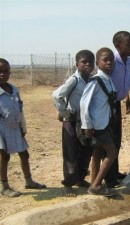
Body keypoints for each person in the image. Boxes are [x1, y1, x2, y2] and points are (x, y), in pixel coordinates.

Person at [0, 58, 46, 197]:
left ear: (10, 72)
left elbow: (20, 110)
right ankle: (4, 186)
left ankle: (29, 181)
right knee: (4, 156)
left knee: (24, 154)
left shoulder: (14, 90)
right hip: (1, 128)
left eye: (5, 71)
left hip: (14, 127)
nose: (2, 74)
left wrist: (22, 126)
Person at [52, 50, 94, 197]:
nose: (88, 64)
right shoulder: (74, 80)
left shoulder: (91, 80)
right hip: (71, 121)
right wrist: (65, 113)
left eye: (90, 61)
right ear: (77, 64)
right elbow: (57, 95)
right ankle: (68, 183)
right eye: (84, 62)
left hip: (85, 122)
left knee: (87, 149)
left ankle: (80, 178)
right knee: (71, 152)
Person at [80, 47, 118, 196]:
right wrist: (86, 125)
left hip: (104, 123)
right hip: (97, 125)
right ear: (97, 62)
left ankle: (94, 183)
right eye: (105, 60)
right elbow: (84, 104)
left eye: (111, 60)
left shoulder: (108, 80)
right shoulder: (95, 81)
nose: (109, 63)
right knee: (112, 152)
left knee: (97, 153)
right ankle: (96, 186)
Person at [104, 31, 130, 187]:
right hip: (108, 105)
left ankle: (114, 172)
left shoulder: (129, 61)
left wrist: (127, 97)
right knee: (110, 142)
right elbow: (105, 81)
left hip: (117, 103)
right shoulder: (112, 60)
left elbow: (123, 81)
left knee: (117, 140)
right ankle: (109, 179)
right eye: (129, 44)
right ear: (118, 46)